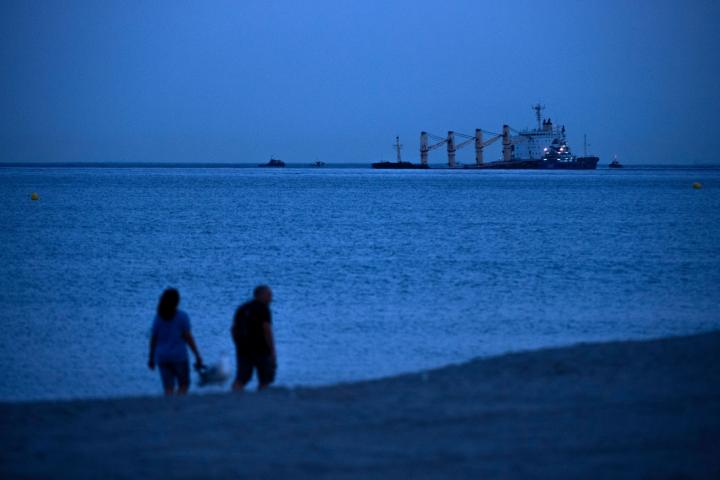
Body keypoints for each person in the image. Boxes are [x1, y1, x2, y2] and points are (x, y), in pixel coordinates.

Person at [148, 288, 203, 396]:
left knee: (168, 388)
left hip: (162, 357)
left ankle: (169, 404)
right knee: (184, 385)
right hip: (179, 357)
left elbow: (153, 339)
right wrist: (197, 355)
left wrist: (151, 358)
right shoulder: (182, 317)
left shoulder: (158, 318)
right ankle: (178, 403)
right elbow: (188, 338)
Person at [231, 285, 277, 391]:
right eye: (269, 295)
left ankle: (233, 396)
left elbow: (233, 329)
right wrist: (272, 350)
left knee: (241, 378)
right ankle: (262, 398)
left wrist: (238, 344)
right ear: (260, 295)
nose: (271, 299)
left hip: (243, 349)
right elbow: (267, 330)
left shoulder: (242, 308)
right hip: (261, 349)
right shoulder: (263, 309)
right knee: (264, 379)